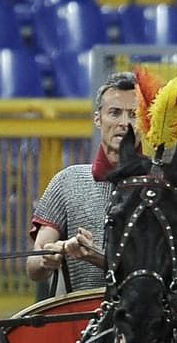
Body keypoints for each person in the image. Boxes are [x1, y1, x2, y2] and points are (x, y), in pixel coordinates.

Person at [26, 71, 140, 296]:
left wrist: (100, 258)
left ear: (146, 121)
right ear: (98, 119)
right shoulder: (68, 182)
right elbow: (33, 268)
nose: (124, 123)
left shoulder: (160, 186)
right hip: (81, 324)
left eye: (134, 114)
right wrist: (48, 257)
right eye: (115, 113)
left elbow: (167, 274)